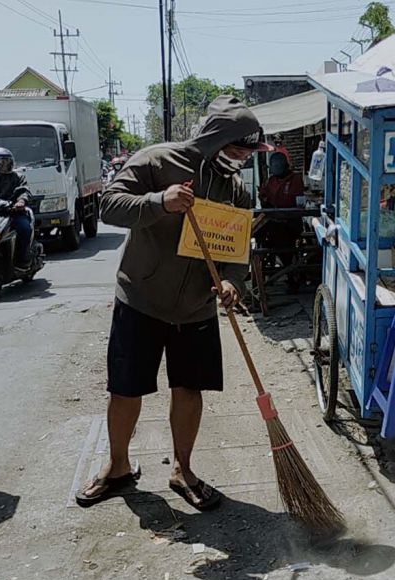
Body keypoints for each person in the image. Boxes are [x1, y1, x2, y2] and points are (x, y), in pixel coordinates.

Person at [77, 95, 274, 510]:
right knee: (126, 390)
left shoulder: (235, 193)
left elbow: (235, 255)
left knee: (189, 389)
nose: (243, 158)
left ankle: (183, 470)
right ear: (217, 139)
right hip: (141, 299)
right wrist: (158, 202)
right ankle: (117, 468)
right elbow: (109, 206)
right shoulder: (156, 161)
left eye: (248, 153)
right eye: (239, 149)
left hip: (196, 308)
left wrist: (233, 283)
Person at [257, 151, 306, 292]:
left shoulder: (295, 179)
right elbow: (265, 197)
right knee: (260, 233)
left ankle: (291, 277)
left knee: (282, 243)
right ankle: (263, 270)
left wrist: (282, 212)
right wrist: (263, 198)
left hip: (290, 224)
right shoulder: (271, 181)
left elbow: (298, 204)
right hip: (273, 222)